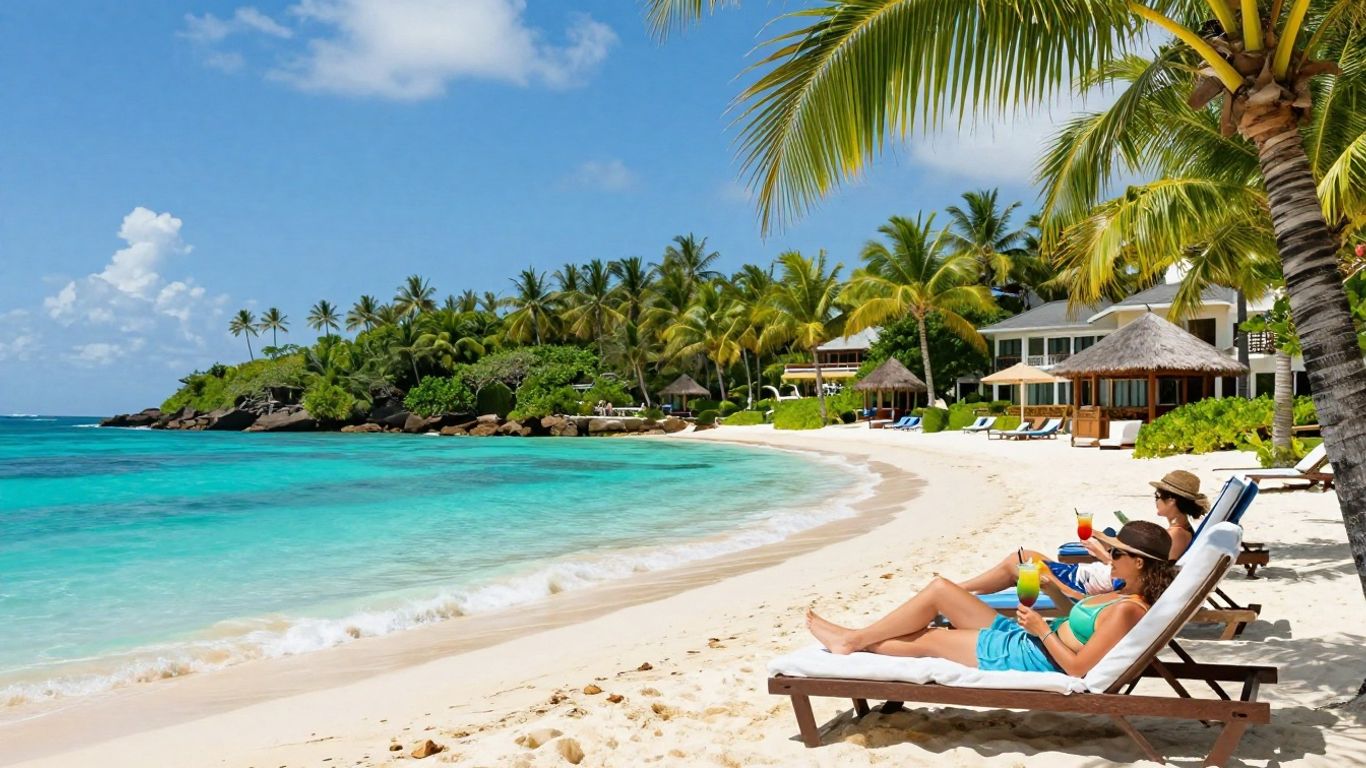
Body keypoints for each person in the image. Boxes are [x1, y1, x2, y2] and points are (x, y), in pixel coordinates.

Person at [805, 521, 1176, 676]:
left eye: (1115, 554)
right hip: (1030, 639)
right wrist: (1052, 594)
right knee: (941, 590)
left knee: (932, 640)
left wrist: (1041, 630)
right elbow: (1081, 624)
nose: (1108, 558)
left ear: (1138, 562)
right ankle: (856, 636)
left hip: (1031, 655)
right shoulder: (1122, 593)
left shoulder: (1127, 610)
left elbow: (1078, 669)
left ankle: (852, 641)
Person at [957, 470, 1208, 601]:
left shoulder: (1175, 537)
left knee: (1020, 561)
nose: (1155, 501)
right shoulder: (1179, 532)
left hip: (1085, 585)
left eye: (1158, 497)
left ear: (1172, 501)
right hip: (1091, 576)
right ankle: (967, 593)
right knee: (1025, 557)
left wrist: (1103, 554)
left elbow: (1144, 577)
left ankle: (961, 592)